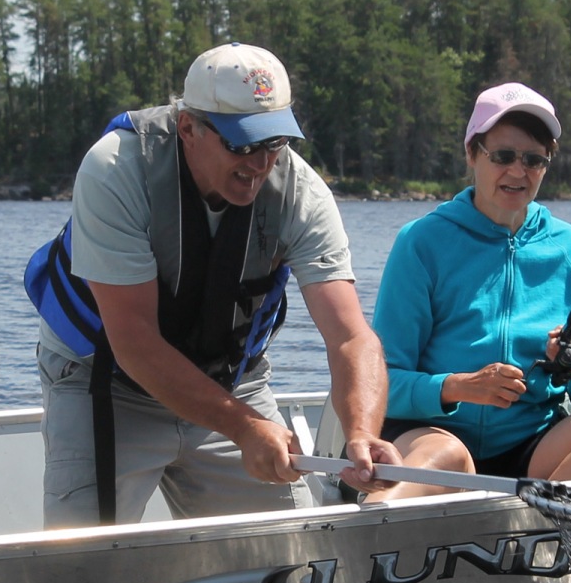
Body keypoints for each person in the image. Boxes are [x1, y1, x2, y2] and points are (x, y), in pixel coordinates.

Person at [25, 42, 398, 526]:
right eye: (241, 144)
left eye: (274, 142)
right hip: (106, 380)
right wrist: (244, 429)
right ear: (188, 128)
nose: (260, 163)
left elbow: (349, 336)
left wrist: (361, 433)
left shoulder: (300, 193)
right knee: (85, 558)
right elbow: (134, 342)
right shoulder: (116, 170)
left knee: (289, 552)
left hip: (231, 382)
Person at [367, 82, 571, 500]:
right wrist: (457, 386)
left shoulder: (569, 247)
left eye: (534, 160)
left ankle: (548, 525)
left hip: (535, 451)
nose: (518, 172)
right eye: (503, 156)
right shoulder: (421, 242)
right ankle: (371, 532)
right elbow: (381, 384)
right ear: (472, 154)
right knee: (446, 454)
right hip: (433, 436)